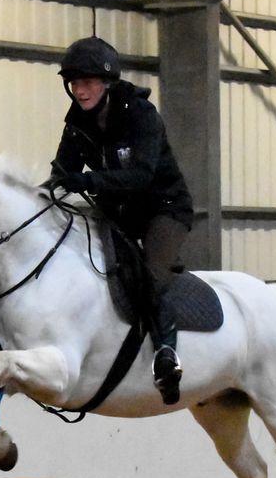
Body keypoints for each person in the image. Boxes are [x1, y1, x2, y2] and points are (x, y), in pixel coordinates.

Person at [46, 36, 193, 405]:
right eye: (75, 83)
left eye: (89, 82)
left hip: (163, 208)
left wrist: (87, 181)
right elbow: (62, 172)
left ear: (107, 82)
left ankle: (166, 354)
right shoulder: (77, 122)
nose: (80, 91)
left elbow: (141, 175)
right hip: (117, 208)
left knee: (149, 274)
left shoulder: (141, 115)